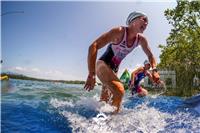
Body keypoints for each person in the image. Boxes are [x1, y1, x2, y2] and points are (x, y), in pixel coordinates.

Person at [84, 11, 160, 114]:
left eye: (148, 22)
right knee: (119, 91)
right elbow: (94, 46)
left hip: (114, 70)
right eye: (144, 19)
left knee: (105, 101)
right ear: (132, 21)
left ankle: (96, 118)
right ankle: (113, 123)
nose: (146, 23)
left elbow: (150, 56)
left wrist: (154, 70)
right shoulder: (119, 32)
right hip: (103, 65)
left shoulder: (141, 40)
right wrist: (91, 74)